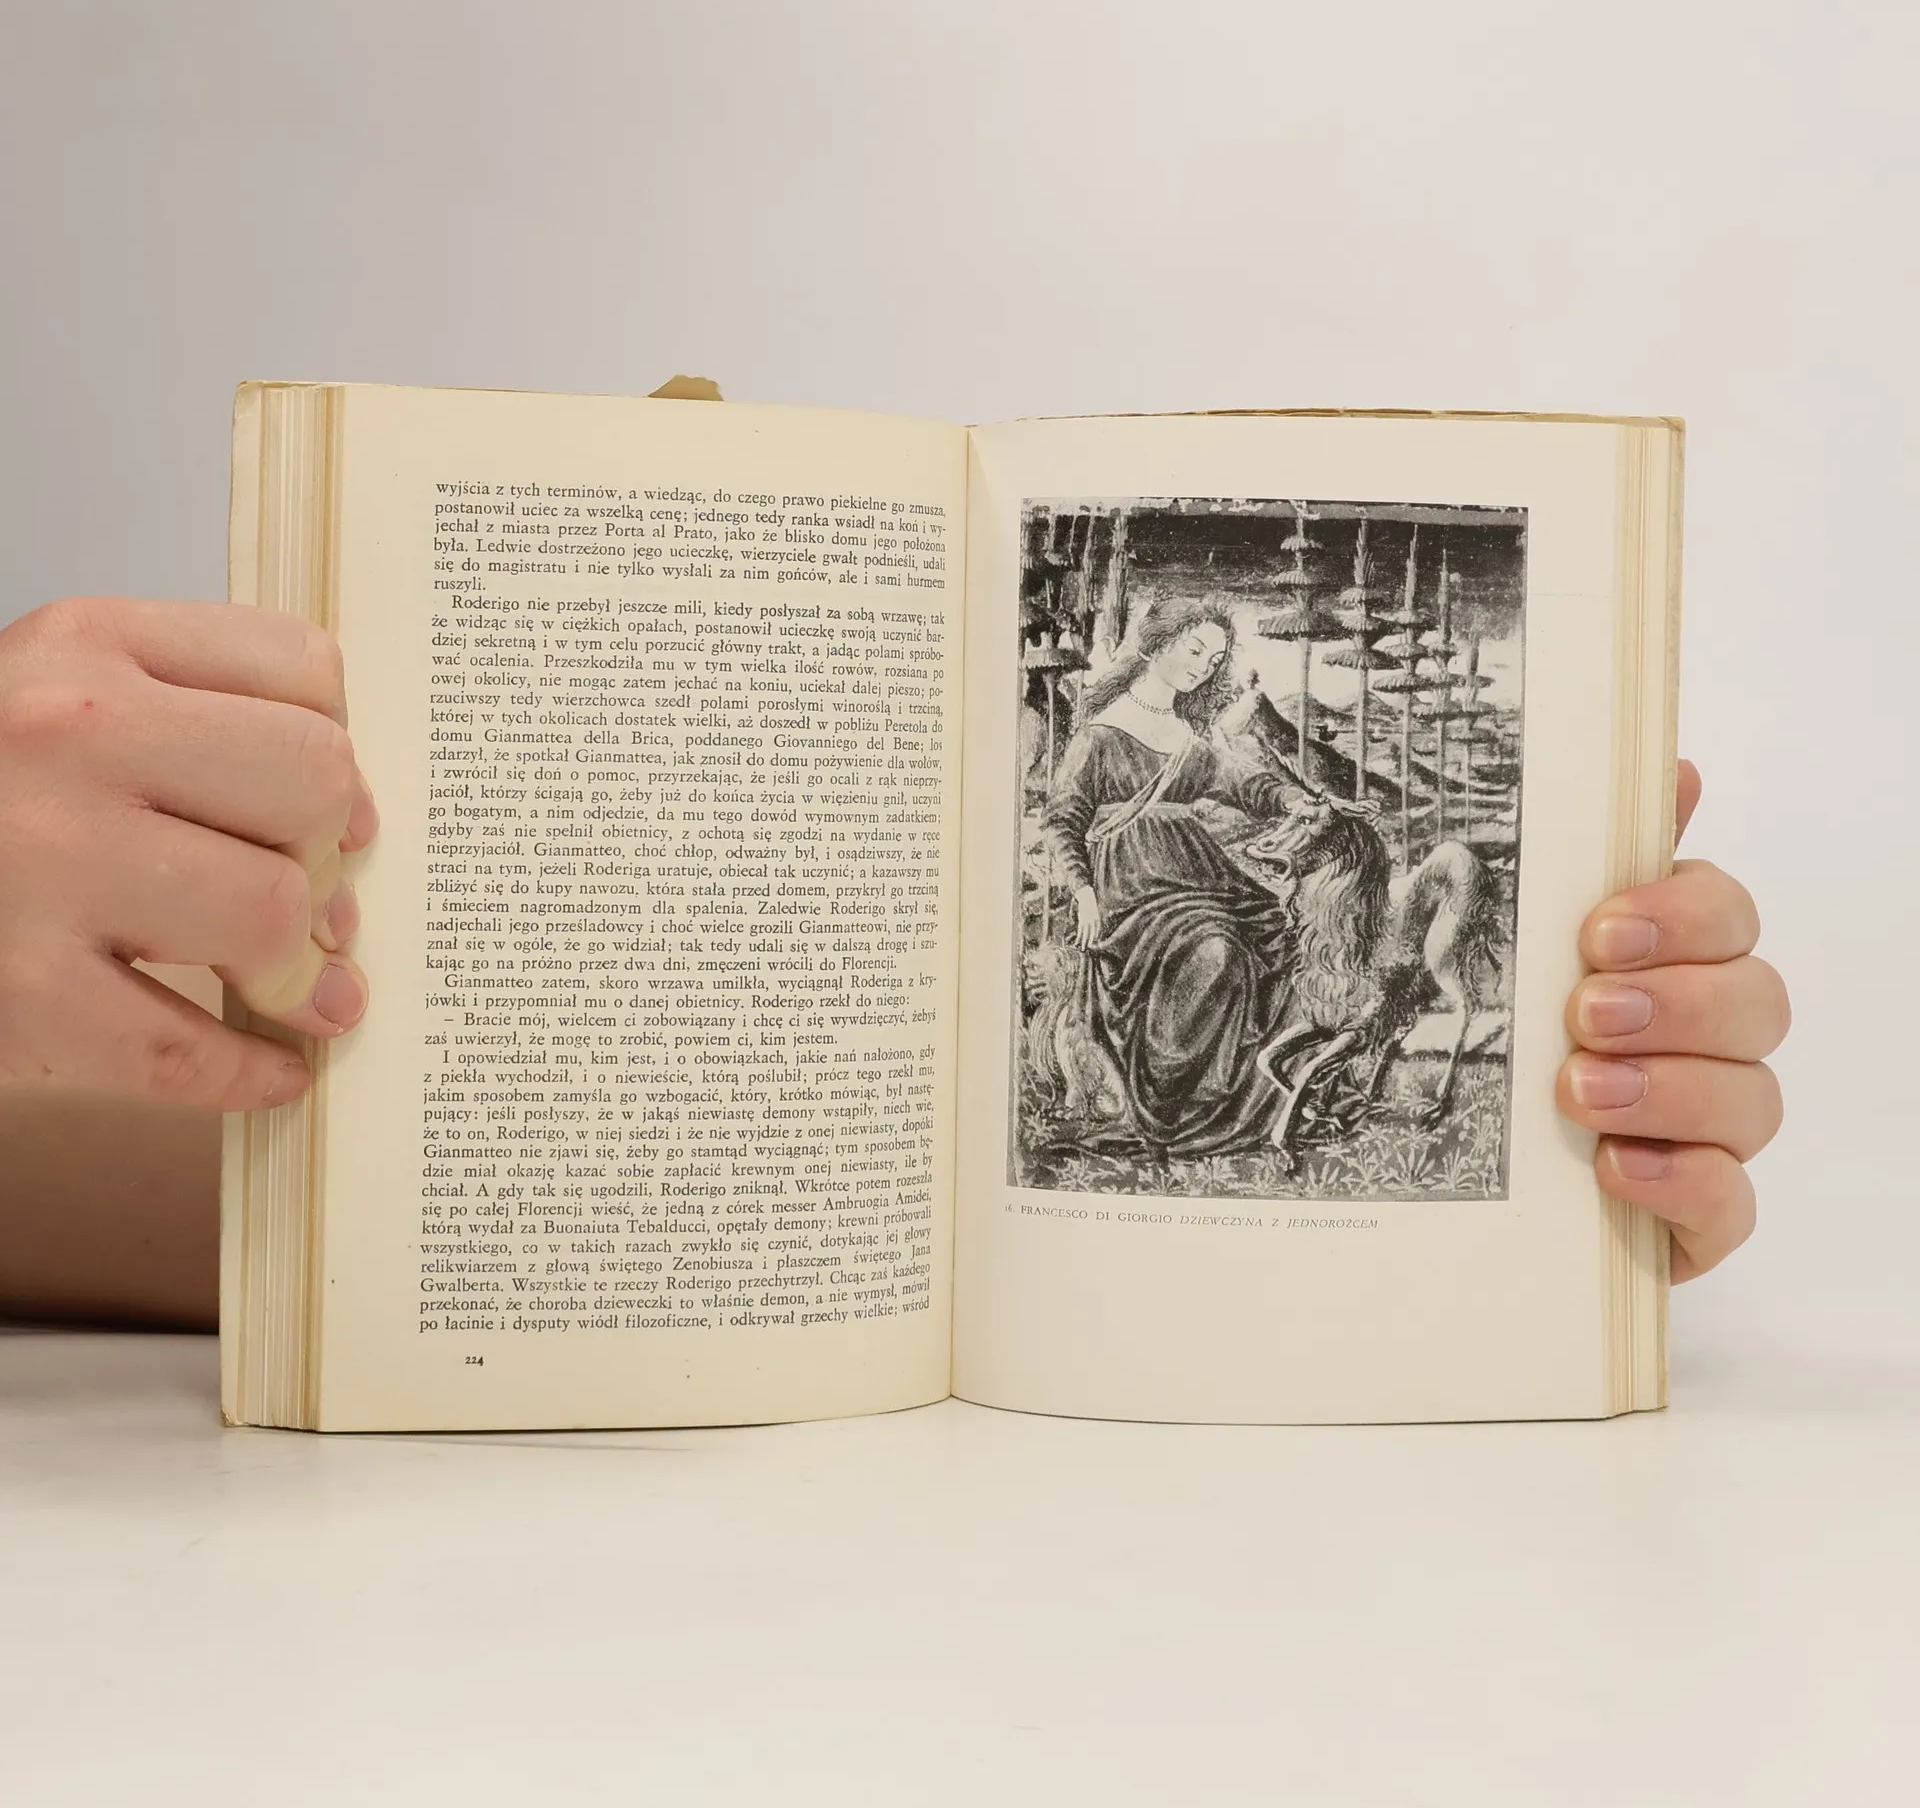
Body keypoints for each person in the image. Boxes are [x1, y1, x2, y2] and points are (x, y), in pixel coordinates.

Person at [0, 594, 1788, 1324]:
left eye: (1214, 666)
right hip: (1135, 891)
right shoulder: (1113, 739)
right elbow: (1084, 826)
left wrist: (1537, 1217)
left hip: (1193, 888)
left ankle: (1233, 1116)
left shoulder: (1221, 740)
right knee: (1181, 943)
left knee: (1263, 928)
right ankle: (1195, 1093)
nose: (1203, 678)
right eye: (1189, 660)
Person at [1040, 597, 1311, 1154]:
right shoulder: (1099, 736)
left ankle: (1252, 1100)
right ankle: (1167, 1107)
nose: (1203, 666)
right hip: (1131, 890)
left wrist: (1290, 798)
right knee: (1217, 950)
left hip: (1199, 878)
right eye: (1194, 650)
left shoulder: (1188, 737)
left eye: (1214, 660)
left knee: (1280, 937)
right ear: (1158, 644)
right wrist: (1083, 892)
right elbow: (1063, 820)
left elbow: (1241, 783)